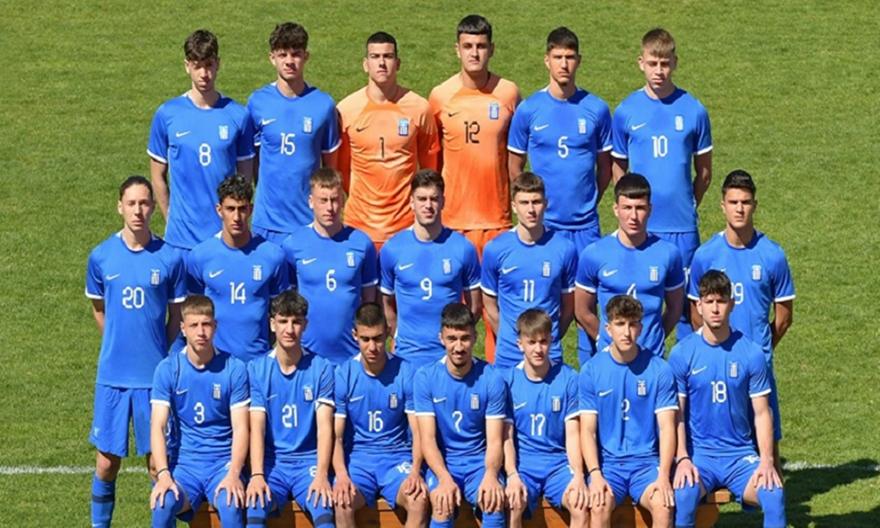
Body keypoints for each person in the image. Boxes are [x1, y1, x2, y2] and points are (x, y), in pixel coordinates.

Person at [85, 176, 186, 528]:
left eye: (144, 203)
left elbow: (177, 317)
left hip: (153, 379)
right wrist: (117, 341)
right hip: (113, 375)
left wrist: (161, 353)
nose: (138, 210)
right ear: (120, 207)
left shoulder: (170, 258)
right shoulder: (101, 257)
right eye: (131, 203)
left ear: (153, 207)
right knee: (106, 463)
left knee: (158, 464)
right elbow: (99, 309)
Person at [610, 28, 712, 340]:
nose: (659, 71)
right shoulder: (626, 111)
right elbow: (618, 167)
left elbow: (704, 173)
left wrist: (686, 203)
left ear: (675, 63)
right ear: (640, 63)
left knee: (688, 312)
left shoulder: (693, 110)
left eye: (665, 64)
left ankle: (687, 370)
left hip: (682, 228)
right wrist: (630, 212)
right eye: (653, 63)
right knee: (638, 308)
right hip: (642, 228)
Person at [669, 271, 786, 528]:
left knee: (774, 496)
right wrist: (683, 457)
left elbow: (762, 413)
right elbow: (677, 414)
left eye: (721, 301)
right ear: (698, 305)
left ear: (732, 304)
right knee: (684, 495)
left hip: (739, 456)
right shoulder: (682, 354)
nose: (715, 309)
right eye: (709, 302)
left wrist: (767, 460)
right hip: (700, 456)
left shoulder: (751, 353)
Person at [687, 169, 795, 443]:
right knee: (716, 439)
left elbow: (783, 318)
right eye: (733, 202)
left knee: (766, 440)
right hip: (716, 365)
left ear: (754, 205)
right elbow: (696, 314)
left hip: (757, 366)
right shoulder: (705, 255)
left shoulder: (772, 255)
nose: (739, 209)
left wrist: (758, 351)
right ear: (722, 206)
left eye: (745, 202)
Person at [148, 29, 255, 252]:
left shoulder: (238, 115)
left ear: (218, 64)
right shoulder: (167, 114)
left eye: (208, 65)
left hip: (224, 239)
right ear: (187, 66)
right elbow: (157, 175)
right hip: (180, 240)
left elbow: (244, 179)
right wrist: (171, 219)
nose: (204, 74)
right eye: (197, 66)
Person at [507, 26, 612, 254]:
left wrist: (589, 201)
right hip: (544, 226)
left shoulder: (597, 109)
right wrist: (531, 207)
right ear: (547, 60)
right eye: (558, 57)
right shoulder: (528, 110)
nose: (564, 64)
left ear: (579, 60)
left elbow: (606, 168)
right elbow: (514, 167)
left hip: (586, 227)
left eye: (570, 57)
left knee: (588, 278)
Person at [149, 295, 250, 527]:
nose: (201, 332)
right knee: (163, 503)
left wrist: (234, 473)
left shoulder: (234, 368)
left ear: (215, 326)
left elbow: (241, 428)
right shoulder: (168, 369)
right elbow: (158, 426)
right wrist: (163, 474)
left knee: (231, 504)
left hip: (222, 464)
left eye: (206, 324)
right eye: (194, 325)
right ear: (183, 328)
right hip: (185, 466)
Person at [579, 296, 677, 528]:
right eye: (620, 324)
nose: (626, 332)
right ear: (608, 329)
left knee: (663, 505)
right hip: (609, 465)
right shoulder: (591, 370)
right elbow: (587, 431)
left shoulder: (659, 369)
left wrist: (663, 475)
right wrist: (595, 473)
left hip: (646, 464)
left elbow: (667, 428)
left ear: (640, 328)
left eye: (632, 324)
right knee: (599, 504)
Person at [428, 14, 520, 257]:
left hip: (497, 218)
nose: (474, 53)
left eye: (481, 46)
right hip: (452, 219)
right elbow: (432, 161)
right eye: (468, 46)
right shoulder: (440, 96)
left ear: (492, 49)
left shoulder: (508, 93)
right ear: (457, 50)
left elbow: (517, 156)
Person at [337, 31, 439, 249]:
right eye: (375, 57)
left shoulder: (419, 108)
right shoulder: (346, 110)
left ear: (398, 63)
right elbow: (342, 169)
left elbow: (429, 170)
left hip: (405, 226)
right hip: (358, 226)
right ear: (365, 64)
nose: (381, 63)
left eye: (388, 56)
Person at [332, 303, 429, 528]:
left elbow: (418, 432)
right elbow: (336, 436)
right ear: (355, 335)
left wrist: (416, 471)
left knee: (419, 500)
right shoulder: (344, 374)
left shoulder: (406, 372)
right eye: (365, 339)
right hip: (358, 460)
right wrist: (342, 475)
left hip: (396, 459)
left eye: (377, 338)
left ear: (387, 332)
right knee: (342, 501)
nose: (372, 347)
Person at [244, 290, 335, 528]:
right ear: (272, 324)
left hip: (308, 462)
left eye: (296, 322)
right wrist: (257, 475)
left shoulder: (321, 368)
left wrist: (322, 475)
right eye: (283, 321)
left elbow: (325, 428)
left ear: (305, 325)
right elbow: (257, 428)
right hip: (272, 463)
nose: (289, 329)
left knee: (324, 511)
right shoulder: (257, 369)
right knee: (255, 507)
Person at [574, 173, 684, 364]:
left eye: (640, 208)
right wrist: (603, 339)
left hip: (651, 361)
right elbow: (582, 309)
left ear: (650, 210)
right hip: (610, 361)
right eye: (627, 208)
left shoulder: (668, 254)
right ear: (616, 209)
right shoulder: (594, 254)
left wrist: (655, 338)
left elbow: (675, 308)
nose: (633, 216)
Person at [247, 22, 340, 243]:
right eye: (282, 54)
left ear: (306, 56)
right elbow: (250, 162)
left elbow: (330, 168)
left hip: (309, 223)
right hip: (266, 223)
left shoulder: (323, 105)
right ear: (272, 58)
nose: (289, 61)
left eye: (296, 54)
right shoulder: (257, 102)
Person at [415, 303, 507, 528]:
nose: (458, 347)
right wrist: (444, 478)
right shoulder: (425, 377)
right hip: (444, 463)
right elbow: (427, 439)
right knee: (442, 503)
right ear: (441, 339)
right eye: (452, 339)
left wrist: (491, 474)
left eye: (465, 338)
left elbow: (495, 440)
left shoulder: (491, 378)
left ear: (475, 337)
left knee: (493, 501)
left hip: (479, 463)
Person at [379, 169, 482, 367]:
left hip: (447, 358)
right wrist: (398, 334)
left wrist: (455, 339)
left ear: (443, 201)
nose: (428, 205)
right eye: (422, 199)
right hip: (406, 357)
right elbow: (384, 304)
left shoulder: (463, 248)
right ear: (411, 202)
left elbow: (475, 306)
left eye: (434, 199)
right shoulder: (392, 249)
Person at [187, 176, 289, 362]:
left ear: (250, 209)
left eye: (242, 209)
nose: (236, 217)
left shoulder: (273, 256)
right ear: (219, 210)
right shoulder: (200, 256)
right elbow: (192, 313)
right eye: (230, 209)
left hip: (257, 362)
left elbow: (280, 314)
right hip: (215, 364)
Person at [482, 172, 577, 368]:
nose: (531, 210)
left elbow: (568, 307)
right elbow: (489, 305)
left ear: (546, 204)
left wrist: (549, 338)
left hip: (549, 353)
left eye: (536, 202)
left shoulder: (564, 249)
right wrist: (509, 338)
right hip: (509, 355)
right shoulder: (495, 249)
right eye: (524, 203)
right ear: (514, 206)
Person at [282, 168, 378, 364]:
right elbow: (287, 302)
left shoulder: (362, 244)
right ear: (311, 202)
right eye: (323, 200)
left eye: (334, 200)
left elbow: (369, 302)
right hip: (307, 357)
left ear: (343, 200)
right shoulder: (293, 244)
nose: (330, 208)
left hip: (351, 356)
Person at [503, 309, 588, 528]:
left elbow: (573, 434)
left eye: (543, 341)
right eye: (531, 342)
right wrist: (511, 474)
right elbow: (506, 437)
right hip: (524, 465)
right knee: (513, 503)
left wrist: (578, 475)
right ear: (520, 344)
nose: (538, 349)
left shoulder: (568, 378)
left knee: (580, 504)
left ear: (551, 341)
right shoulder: (508, 381)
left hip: (557, 465)